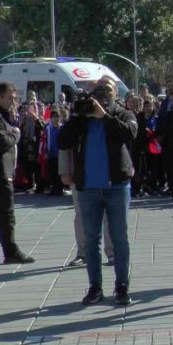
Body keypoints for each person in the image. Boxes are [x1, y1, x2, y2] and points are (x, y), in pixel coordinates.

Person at [58, 77, 137, 305]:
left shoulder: (122, 113)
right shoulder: (83, 117)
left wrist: (105, 116)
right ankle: (95, 287)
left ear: (116, 94)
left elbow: (129, 134)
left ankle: (122, 286)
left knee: (119, 238)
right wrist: (76, 117)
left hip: (117, 186)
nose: (103, 93)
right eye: (98, 90)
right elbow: (63, 141)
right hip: (88, 188)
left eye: (108, 89)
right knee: (92, 239)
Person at [0, 83, 36, 265]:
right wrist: (16, 134)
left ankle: (11, 251)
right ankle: (11, 252)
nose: (13, 101)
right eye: (10, 98)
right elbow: (2, 143)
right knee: (6, 214)